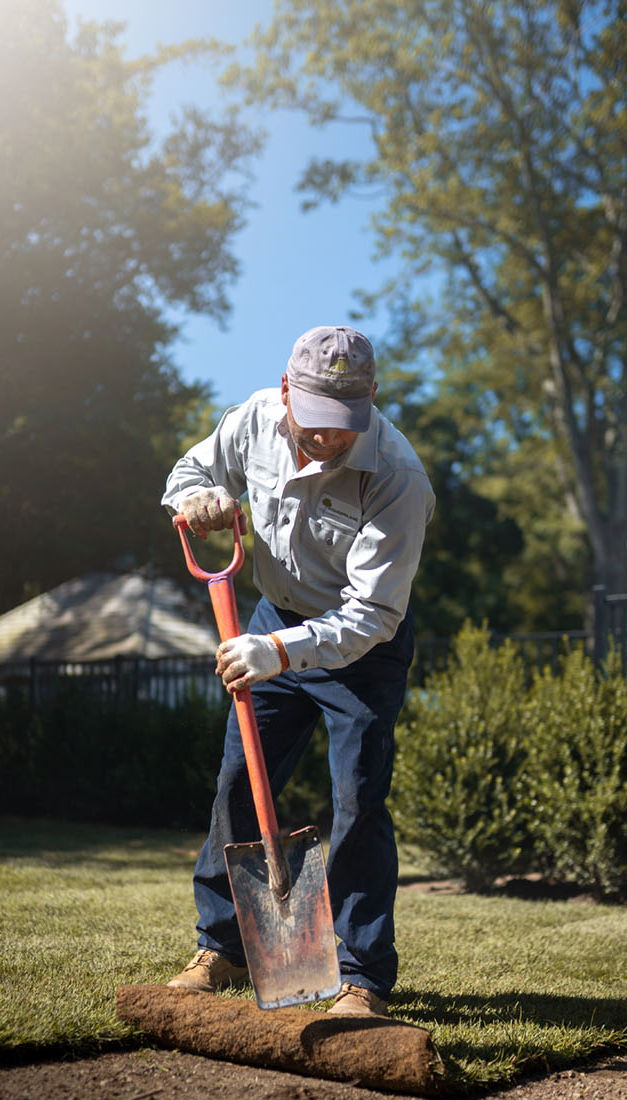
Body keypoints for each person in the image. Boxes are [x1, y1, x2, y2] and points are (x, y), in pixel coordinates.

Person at [161, 325, 434, 1016]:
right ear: (286, 392)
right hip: (273, 619)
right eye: (314, 420)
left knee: (357, 803)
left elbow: (373, 614)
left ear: (371, 398)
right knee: (237, 789)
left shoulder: (398, 478)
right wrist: (197, 501)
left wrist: (279, 653)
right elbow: (187, 474)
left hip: (361, 650)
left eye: (345, 423)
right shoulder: (252, 421)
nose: (328, 438)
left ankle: (362, 976)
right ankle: (220, 947)